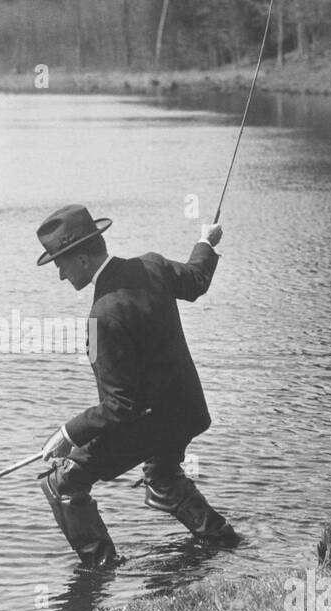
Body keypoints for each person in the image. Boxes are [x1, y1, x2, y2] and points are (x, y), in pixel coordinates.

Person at [35, 204, 238, 568]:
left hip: (155, 421)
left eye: (60, 265)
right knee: (161, 477)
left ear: (82, 259)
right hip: (188, 410)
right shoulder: (152, 265)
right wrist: (205, 241)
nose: (61, 276)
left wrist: (69, 433)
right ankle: (225, 543)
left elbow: (118, 407)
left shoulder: (101, 318)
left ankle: (101, 570)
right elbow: (196, 281)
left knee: (61, 483)